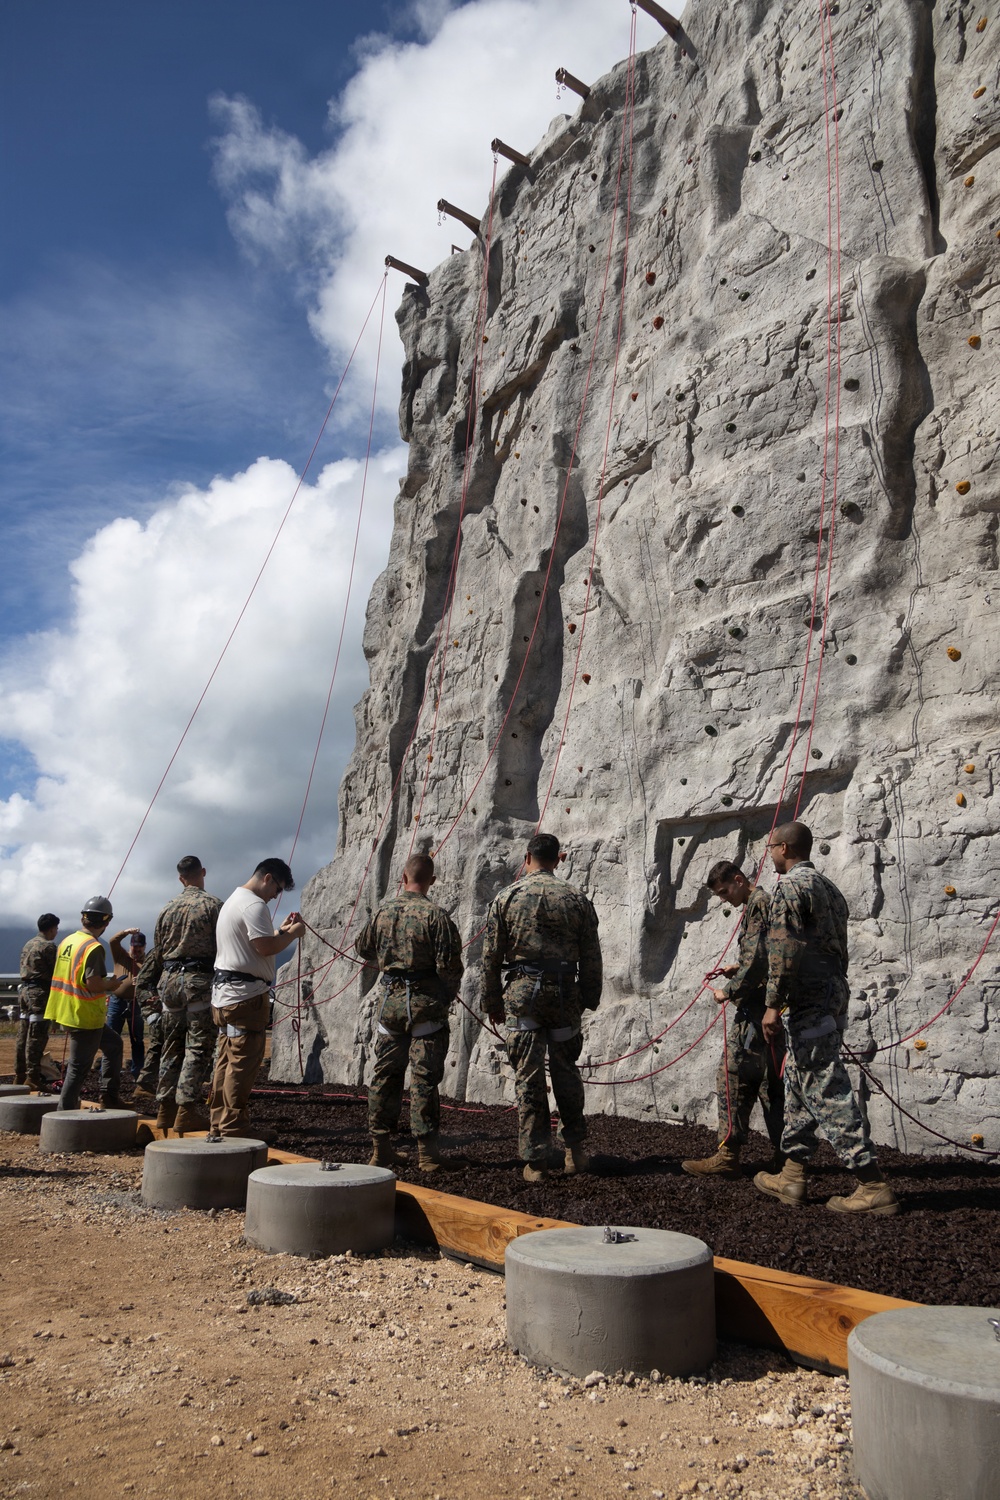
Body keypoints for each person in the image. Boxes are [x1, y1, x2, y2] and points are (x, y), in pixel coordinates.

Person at [753, 821, 899, 1216]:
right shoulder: (829, 889)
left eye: (771, 847)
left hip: (809, 996)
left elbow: (784, 948)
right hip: (832, 990)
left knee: (824, 1083)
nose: (769, 854)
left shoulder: (790, 887)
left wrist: (772, 1004)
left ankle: (871, 1183)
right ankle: (792, 1174)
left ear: (785, 848)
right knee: (802, 1079)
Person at [481, 832, 602, 1183]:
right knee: (566, 1071)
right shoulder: (578, 899)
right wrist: (588, 998)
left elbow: (489, 957)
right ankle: (575, 1151)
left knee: (529, 1078)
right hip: (565, 997)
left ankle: (535, 1161)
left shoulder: (507, 898)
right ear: (559, 858)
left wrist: (492, 1002)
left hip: (523, 997)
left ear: (527, 857)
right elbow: (592, 956)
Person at [355, 852, 464, 1172]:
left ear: (402, 878)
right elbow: (451, 968)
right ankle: (427, 1155)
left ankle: (380, 1148)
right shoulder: (437, 916)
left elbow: (363, 949)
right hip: (425, 1008)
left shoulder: (383, 912)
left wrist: (391, 959)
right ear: (431, 881)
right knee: (424, 1079)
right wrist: (444, 997)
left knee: (384, 1077)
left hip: (390, 1005)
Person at [682, 861, 784, 1179]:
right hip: (768, 1011)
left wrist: (728, 990)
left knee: (730, 1078)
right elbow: (763, 956)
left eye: (725, 891)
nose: (724, 898)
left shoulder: (757, 904)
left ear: (739, 880)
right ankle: (788, 1160)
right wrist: (736, 967)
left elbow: (757, 964)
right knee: (769, 1085)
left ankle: (727, 1155)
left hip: (754, 1012)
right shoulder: (763, 902)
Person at [209, 858, 304, 1139]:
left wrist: (280, 932)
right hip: (245, 997)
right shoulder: (254, 905)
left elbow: (252, 943)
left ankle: (219, 1121)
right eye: (278, 889)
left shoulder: (234, 900)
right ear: (268, 878)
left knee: (225, 1060)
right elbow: (264, 947)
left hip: (225, 995)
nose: (277, 896)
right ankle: (234, 1125)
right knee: (243, 1063)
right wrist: (293, 935)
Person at [135, 856, 222, 1133]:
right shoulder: (213, 905)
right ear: (203, 873)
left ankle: (165, 1109)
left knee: (171, 1046)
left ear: (180, 878)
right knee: (198, 1047)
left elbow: (158, 952)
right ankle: (186, 1110)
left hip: (169, 983)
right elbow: (224, 947)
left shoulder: (166, 909)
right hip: (198, 982)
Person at [44, 896, 129, 1110]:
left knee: (114, 1045)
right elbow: (93, 983)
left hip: (66, 1010)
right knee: (78, 1068)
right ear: (107, 921)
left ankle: (109, 1096)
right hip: (83, 1015)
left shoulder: (67, 941)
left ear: (84, 918)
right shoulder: (93, 947)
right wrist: (110, 985)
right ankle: (64, 1115)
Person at [16, 914, 59, 1090]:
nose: (56, 931)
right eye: (56, 928)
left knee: (23, 1033)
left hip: (24, 991)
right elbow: (57, 970)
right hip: (39, 993)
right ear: (51, 929)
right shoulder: (48, 946)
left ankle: (20, 1074)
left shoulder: (29, 943)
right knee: (37, 1035)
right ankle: (33, 1076)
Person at [107, 928, 146, 1081]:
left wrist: (141, 982)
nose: (136, 949)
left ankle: (137, 1074)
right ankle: (109, 1073)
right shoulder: (120, 956)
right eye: (134, 946)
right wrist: (125, 932)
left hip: (136, 1004)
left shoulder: (148, 962)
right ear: (130, 946)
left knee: (137, 1040)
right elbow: (113, 941)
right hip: (117, 1001)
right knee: (111, 1037)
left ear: (144, 946)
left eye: (139, 946)